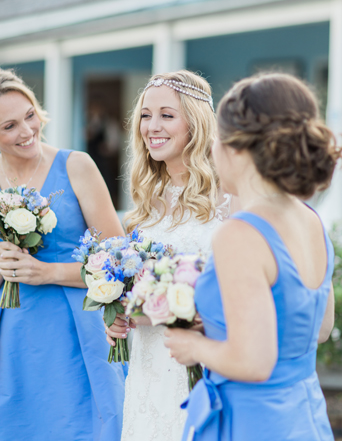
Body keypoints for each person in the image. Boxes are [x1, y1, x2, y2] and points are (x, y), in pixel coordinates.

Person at [165, 72, 342, 441]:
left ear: (237, 149)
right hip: (304, 416)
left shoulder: (240, 233)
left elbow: (254, 362)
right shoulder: (310, 220)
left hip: (253, 422)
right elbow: (321, 329)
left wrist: (195, 346)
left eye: (216, 138)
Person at [0, 67, 126, 441]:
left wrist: (47, 272)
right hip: (12, 340)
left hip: (79, 334)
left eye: (30, 116)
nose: (27, 132)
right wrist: (2, 266)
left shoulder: (77, 166)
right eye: (9, 126)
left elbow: (119, 264)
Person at [105, 71, 232, 441]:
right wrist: (118, 315)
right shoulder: (145, 205)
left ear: (196, 122)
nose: (152, 126)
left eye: (166, 115)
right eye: (145, 115)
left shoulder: (228, 197)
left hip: (204, 366)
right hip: (147, 371)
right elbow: (137, 294)